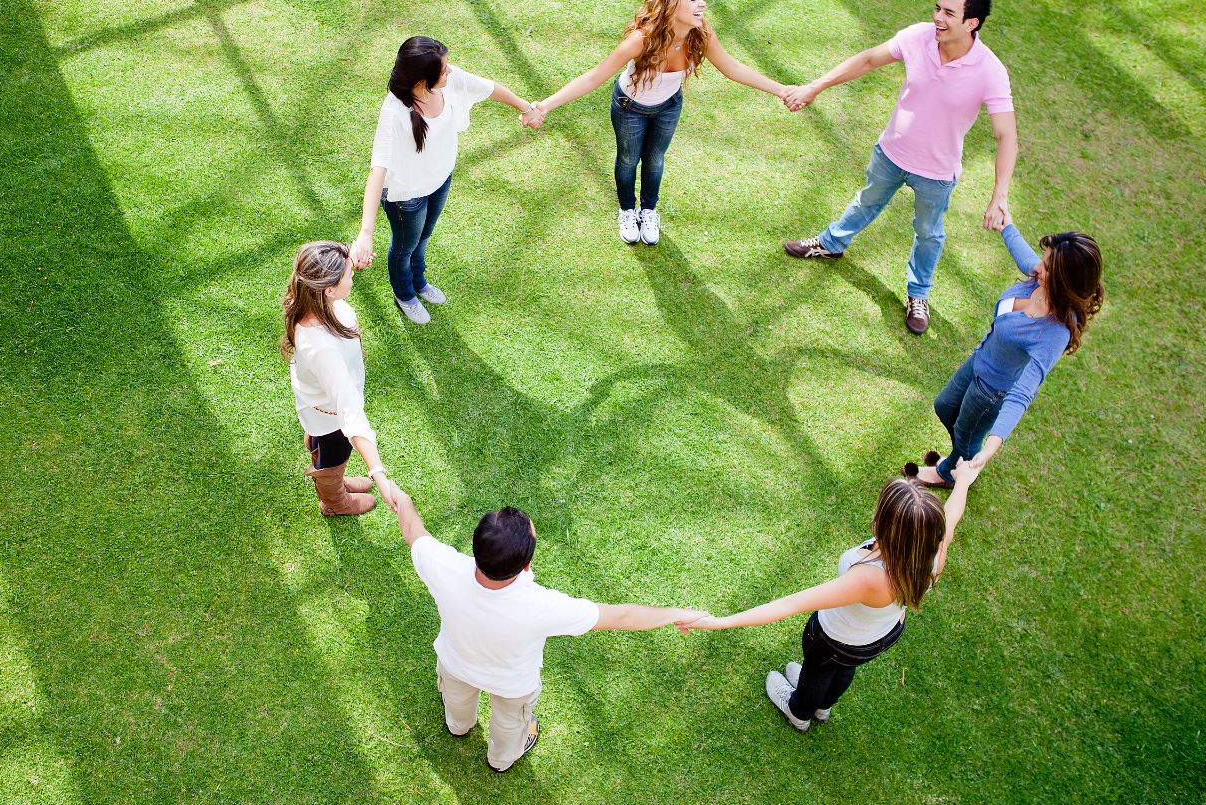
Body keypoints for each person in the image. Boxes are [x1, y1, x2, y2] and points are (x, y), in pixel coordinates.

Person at [389, 486, 700, 771]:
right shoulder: (542, 605)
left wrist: (401, 497)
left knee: (457, 707)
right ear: (527, 565)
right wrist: (674, 613)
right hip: (512, 685)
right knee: (511, 724)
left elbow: (414, 530)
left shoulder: (444, 567)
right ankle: (500, 759)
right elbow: (620, 617)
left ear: (473, 543)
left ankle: (458, 725)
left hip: (456, 666)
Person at [781, 0, 1017, 335]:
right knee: (866, 202)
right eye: (938, 8)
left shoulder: (990, 71)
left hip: (936, 174)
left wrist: (999, 195)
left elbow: (1006, 136)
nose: (938, 17)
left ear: (972, 23)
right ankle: (831, 244)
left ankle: (918, 295)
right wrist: (816, 86)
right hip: (891, 152)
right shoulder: (919, 36)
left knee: (929, 234)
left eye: (948, 13)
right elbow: (868, 60)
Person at [680, 467, 979, 730]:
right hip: (881, 635)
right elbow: (952, 515)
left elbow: (789, 604)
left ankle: (799, 711)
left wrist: (717, 622)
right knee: (843, 670)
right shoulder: (933, 552)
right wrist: (963, 480)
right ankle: (823, 707)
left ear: (886, 528)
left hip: (833, 640)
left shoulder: (869, 579)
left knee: (818, 670)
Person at [519, 0, 791, 245]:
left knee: (655, 159)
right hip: (630, 107)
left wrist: (781, 89)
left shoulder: (702, 34)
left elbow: (733, 68)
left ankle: (648, 210)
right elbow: (594, 77)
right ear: (671, 5)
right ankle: (627, 210)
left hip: (668, 106)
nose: (703, 5)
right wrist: (544, 106)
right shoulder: (641, 40)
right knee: (628, 159)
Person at [350, 36, 532, 324]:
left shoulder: (448, 79)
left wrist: (525, 106)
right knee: (405, 245)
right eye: (443, 69)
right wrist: (365, 233)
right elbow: (378, 170)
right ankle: (405, 294)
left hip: (440, 180)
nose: (450, 71)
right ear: (422, 81)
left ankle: (419, 281)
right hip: (406, 196)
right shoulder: (394, 113)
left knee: (423, 237)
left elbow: (488, 88)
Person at [909, 222, 1104, 487]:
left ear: (1063, 281)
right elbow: (1023, 254)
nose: (1038, 267)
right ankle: (960, 460)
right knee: (944, 406)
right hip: (979, 360)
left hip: (991, 391)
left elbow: (1023, 393)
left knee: (966, 436)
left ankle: (949, 472)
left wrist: (991, 448)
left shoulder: (1054, 334)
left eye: (1046, 266)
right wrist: (1005, 224)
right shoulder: (1039, 279)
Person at [283, 240, 399, 516]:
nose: (353, 275)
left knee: (323, 447)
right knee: (334, 453)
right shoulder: (322, 348)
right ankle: (334, 501)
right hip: (330, 416)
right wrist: (379, 475)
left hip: (319, 404)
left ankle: (335, 481)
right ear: (329, 289)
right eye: (349, 273)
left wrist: (354, 253)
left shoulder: (315, 299)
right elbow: (350, 414)